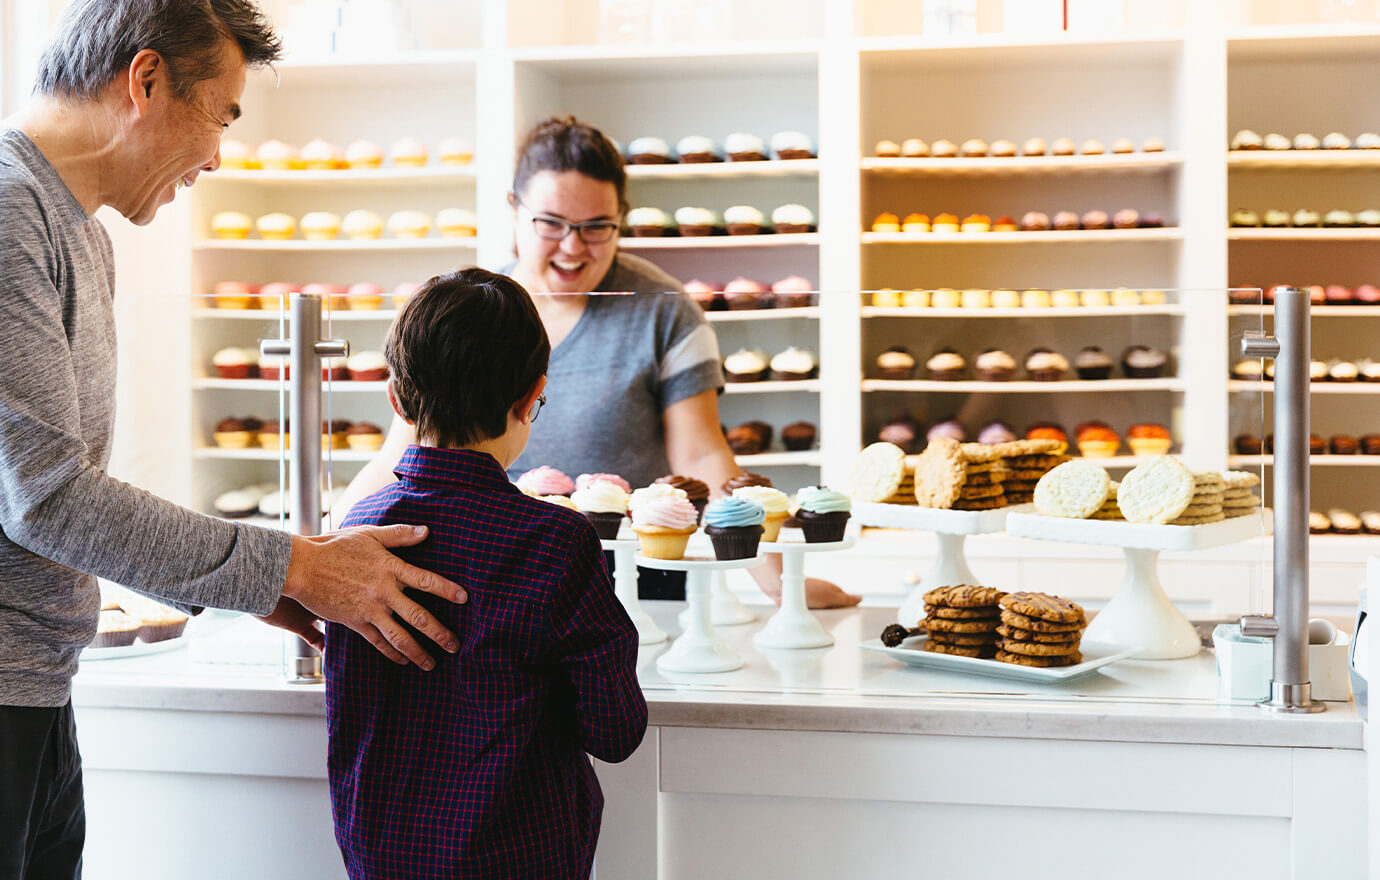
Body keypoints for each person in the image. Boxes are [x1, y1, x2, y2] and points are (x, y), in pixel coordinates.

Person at [0, 2, 467, 876]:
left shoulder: (78, 232)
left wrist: (261, 584)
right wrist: (293, 566)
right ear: (145, 82)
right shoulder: (7, 214)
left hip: (35, 686)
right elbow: (43, 495)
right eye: (219, 114)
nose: (217, 155)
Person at [340, 116, 860, 608]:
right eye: (552, 223)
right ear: (514, 208)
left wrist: (778, 581)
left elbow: (700, 455)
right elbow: (400, 455)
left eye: (596, 227)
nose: (574, 246)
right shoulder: (466, 311)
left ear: (621, 220)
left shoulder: (665, 310)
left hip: (629, 578)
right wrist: (324, 555)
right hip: (480, 571)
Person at [326, 267, 647, 879]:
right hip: (524, 856)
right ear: (532, 398)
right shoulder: (556, 541)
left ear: (396, 399)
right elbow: (614, 730)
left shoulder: (350, 542)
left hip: (381, 856)